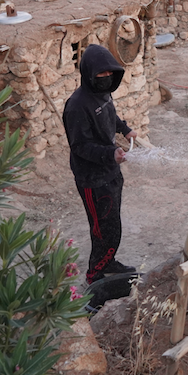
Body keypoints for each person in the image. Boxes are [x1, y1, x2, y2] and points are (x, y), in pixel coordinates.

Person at [63, 44, 138, 286]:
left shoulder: (102, 94)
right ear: (88, 75)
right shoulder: (77, 105)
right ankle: (94, 275)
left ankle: (109, 261)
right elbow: (80, 147)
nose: (106, 79)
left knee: (113, 223)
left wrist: (125, 130)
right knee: (100, 228)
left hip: (110, 172)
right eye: (100, 76)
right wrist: (110, 154)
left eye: (109, 76)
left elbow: (110, 115)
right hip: (91, 179)